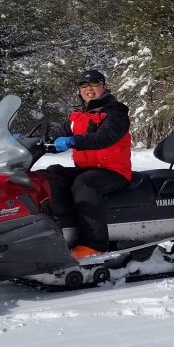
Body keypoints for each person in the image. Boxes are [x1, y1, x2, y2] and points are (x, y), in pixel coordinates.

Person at [44, 69, 132, 258]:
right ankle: (59, 230)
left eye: (93, 85)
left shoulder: (115, 113)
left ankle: (95, 243)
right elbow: (61, 130)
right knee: (51, 174)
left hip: (114, 171)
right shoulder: (79, 115)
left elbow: (105, 137)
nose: (88, 89)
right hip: (87, 169)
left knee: (84, 183)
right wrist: (30, 139)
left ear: (104, 87)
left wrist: (74, 141)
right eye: (84, 86)